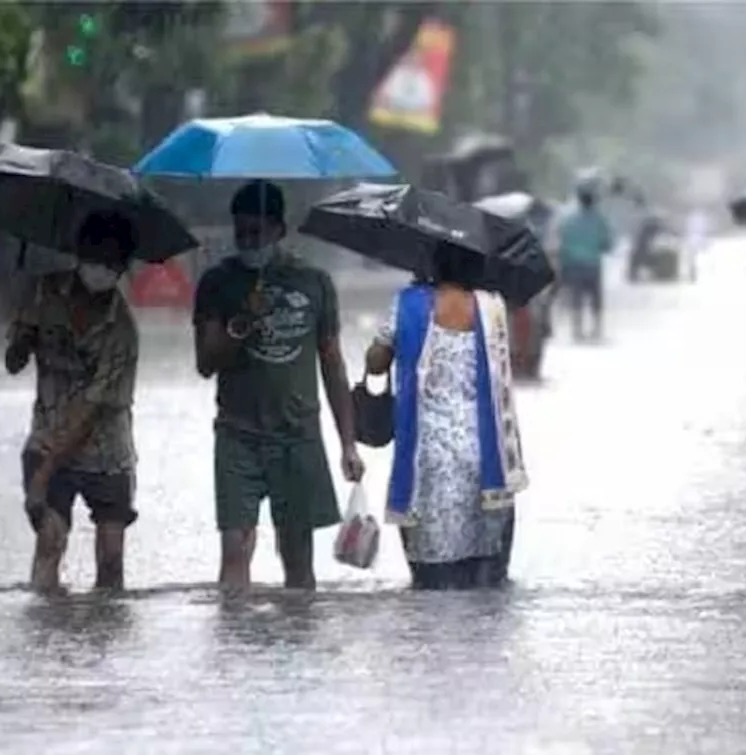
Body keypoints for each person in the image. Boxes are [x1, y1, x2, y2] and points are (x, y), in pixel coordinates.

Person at [193, 180, 364, 593]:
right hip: (238, 435)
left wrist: (348, 443)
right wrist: (243, 323)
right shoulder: (218, 282)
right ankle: (233, 645)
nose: (248, 241)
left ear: (278, 230)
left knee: (298, 558)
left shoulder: (314, 282)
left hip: (297, 435)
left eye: (257, 232)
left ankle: (298, 646)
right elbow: (205, 363)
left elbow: (332, 363)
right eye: (241, 232)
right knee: (235, 548)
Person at [363, 243, 528, 589]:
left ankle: (433, 643)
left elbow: (376, 362)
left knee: (431, 582)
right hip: (486, 457)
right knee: (486, 581)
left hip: (429, 459)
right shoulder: (492, 306)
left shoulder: (409, 304)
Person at [5, 210, 141, 593]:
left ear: (123, 266)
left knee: (111, 559)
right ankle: (46, 632)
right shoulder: (42, 293)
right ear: (81, 253)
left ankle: (105, 638)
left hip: (107, 449)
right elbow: (13, 363)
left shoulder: (123, 330)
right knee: (50, 541)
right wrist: (20, 335)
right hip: (47, 435)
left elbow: (91, 412)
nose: (102, 267)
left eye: (113, 261)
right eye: (97, 256)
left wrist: (41, 479)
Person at [557, 185, 615, 339]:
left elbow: (562, 241)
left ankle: (577, 330)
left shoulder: (569, 220)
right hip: (593, 265)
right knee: (595, 298)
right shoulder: (599, 219)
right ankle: (596, 330)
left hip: (573, 265)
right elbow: (607, 243)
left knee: (576, 298)